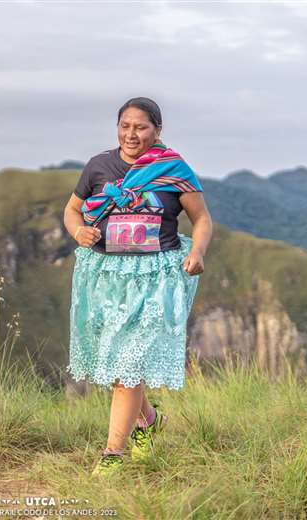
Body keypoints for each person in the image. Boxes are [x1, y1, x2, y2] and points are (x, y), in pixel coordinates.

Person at [63, 97, 213, 477]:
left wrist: (197, 252)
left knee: (128, 366)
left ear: (157, 130)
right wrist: (77, 230)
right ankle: (148, 422)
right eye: (125, 126)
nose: (132, 134)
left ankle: (113, 455)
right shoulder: (99, 166)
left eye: (141, 127)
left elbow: (202, 220)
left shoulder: (173, 169)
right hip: (106, 275)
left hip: (153, 277)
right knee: (118, 367)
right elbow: (72, 209)